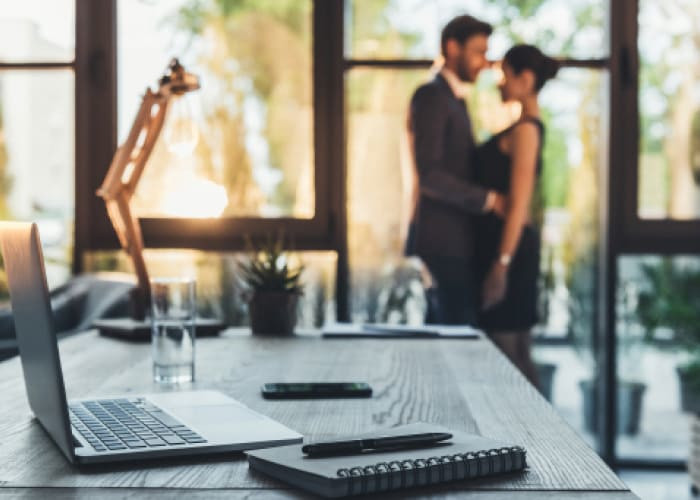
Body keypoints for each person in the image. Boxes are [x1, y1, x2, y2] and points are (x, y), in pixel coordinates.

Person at [405, 15, 506, 325]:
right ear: (452, 48)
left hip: (455, 242)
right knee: (452, 339)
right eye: (478, 52)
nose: (484, 62)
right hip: (443, 242)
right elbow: (430, 175)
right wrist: (489, 199)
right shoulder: (432, 96)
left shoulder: (454, 99)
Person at [474, 45, 560, 385]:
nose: (499, 85)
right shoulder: (523, 127)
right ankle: (542, 437)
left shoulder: (526, 130)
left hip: (509, 250)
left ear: (525, 79)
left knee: (510, 353)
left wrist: (501, 265)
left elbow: (519, 204)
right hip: (509, 249)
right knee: (516, 352)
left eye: (504, 77)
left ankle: (541, 437)